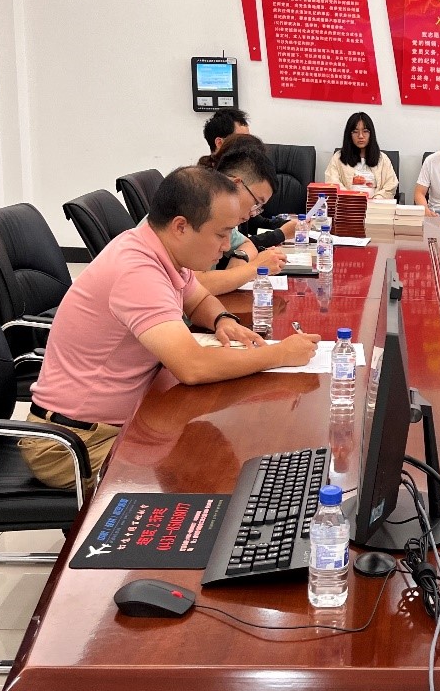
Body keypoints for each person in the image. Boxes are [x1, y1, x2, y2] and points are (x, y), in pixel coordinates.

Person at [20, 166, 320, 491]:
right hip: (72, 443)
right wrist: (280, 354)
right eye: (221, 234)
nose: (226, 246)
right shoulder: (138, 270)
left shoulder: (162, 251)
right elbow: (192, 366)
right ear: (180, 226)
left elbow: (197, 299)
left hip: (121, 420)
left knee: (222, 443)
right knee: (210, 470)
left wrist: (223, 320)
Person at [194, 136, 286, 294]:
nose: (253, 213)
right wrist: (255, 268)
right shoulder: (194, 209)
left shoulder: (221, 216)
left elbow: (246, 244)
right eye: (256, 202)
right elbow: (193, 287)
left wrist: (239, 258)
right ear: (235, 184)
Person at [197, 108, 296, 249]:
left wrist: (291, 224)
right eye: (242, 140)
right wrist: (281, 234)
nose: (249, 147)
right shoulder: (206, 192)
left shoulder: (240, 185)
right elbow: (228, 250)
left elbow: (247, 234)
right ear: (220, 143)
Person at [324, 112, 399, 200]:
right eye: (355, 132)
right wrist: (350, 199)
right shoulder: (338, 158)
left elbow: (390, 186)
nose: (360, 136)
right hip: (347, 204)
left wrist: (376, 199)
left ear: (371, 134)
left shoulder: (382, 159)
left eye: (365, 131)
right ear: (349, 134)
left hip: (376, 205)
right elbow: (332, 183)